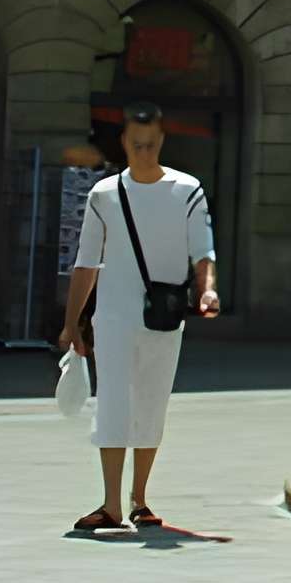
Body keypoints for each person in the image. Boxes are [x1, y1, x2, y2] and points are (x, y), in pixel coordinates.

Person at [58, 104, 218, 535]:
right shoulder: (104, 194)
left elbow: (202, 250)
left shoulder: (188, 190)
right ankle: (110, 503)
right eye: (136, 144)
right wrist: (72, 322)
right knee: (112, 401)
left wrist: (207, 288)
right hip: (112, 315)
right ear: (124, 143)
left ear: (161, 141)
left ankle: (139, 499)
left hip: (164, 316)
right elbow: (86, 262)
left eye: (150, 144)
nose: (143, 152)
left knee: (152, 403)